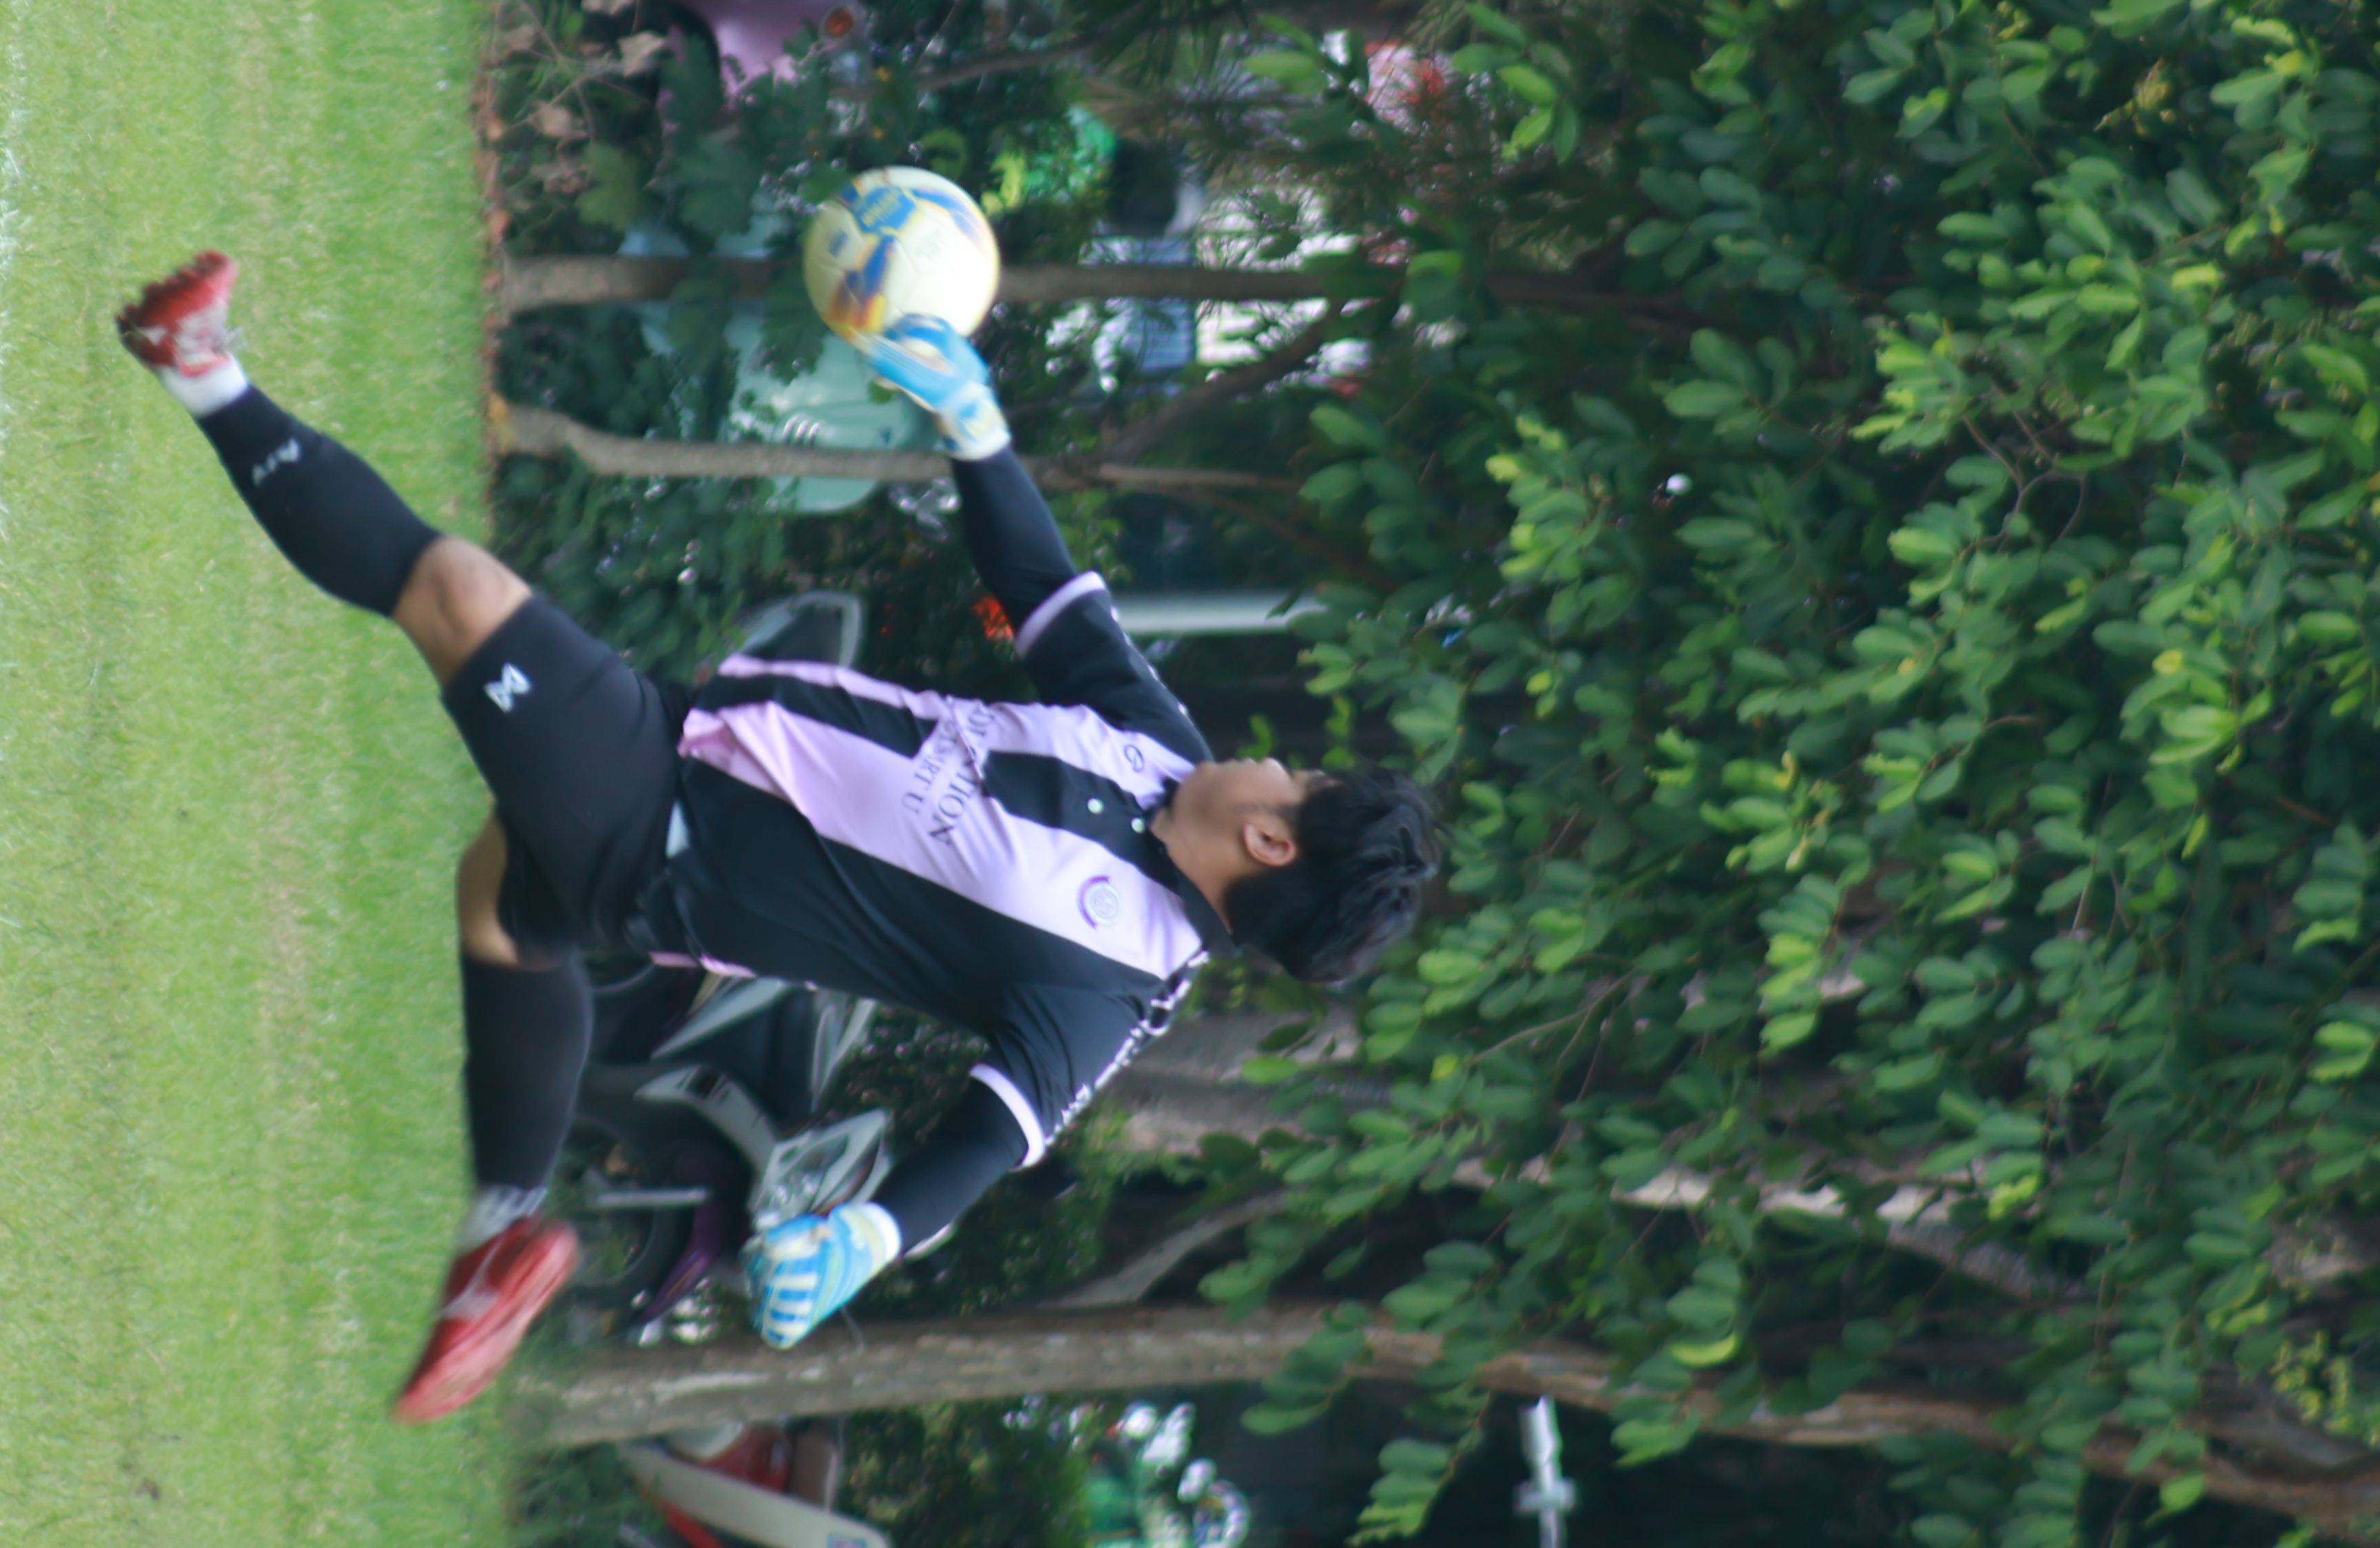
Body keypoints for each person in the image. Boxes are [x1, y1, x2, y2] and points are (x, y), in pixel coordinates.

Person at [113, 250, 1435, 1421]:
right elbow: (1046, 591)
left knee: (456, 590)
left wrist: (868, 1239)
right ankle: (496, 1233)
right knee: (503, 904)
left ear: (1274, 844)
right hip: (692, 752)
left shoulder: (1107, 989)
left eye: (1301, 778)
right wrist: (976, 430)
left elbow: (988, 1143)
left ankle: (199, 365)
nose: (1277, 761)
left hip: (669, 839)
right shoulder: (1159, 745)